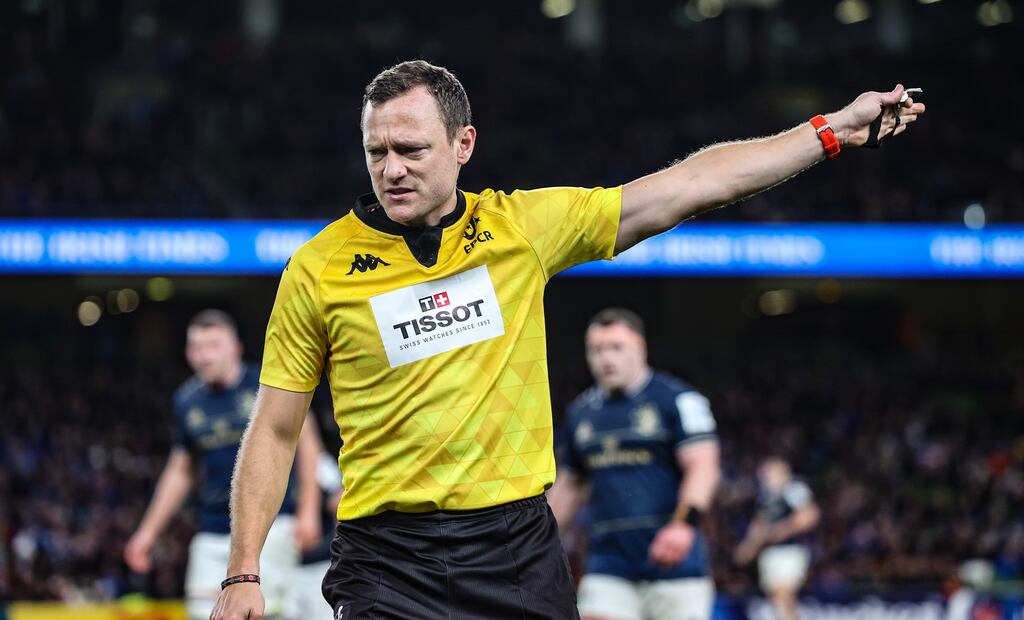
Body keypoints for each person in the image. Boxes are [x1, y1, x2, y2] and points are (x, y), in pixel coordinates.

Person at [211, 59, 925, 620]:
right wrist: (244, 569)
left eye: (411, 149)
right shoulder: (317, 269)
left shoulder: (522, 229)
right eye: (376, 151)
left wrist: (829, 130)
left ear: (464, 145)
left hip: (517, 549)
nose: (391, 168)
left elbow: (683, 188)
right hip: (386, 559)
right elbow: (275, 431)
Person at [123, 309, 321, 620]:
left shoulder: (268, 384)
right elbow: (180, 471)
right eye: (196, 347)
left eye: (212, 345)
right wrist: (147, 533)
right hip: (212, 530)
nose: (203, 356)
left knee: (265, 614)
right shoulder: (186, 401)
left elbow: (307, 444)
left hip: (270, 525)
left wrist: (309, 510)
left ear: (235, 349)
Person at [548, 308, 721, 620]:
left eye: (616, 347)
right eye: (596, 350)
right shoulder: (581, 413)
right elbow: (571, 485)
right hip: (608, 564)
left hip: (676, 566)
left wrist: (683, 525)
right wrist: (539, 540)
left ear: (640, 349)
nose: (605, 358)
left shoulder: (678, 400)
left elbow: (703, 466)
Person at [734, 457, 821, 620]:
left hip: (790, 550)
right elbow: (759, 525)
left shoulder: (793, 489)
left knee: (783, 592)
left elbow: (810, 515)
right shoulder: (764, 496)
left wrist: (782, 530)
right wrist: (748, 548)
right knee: (777, 596)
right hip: (770, 553)